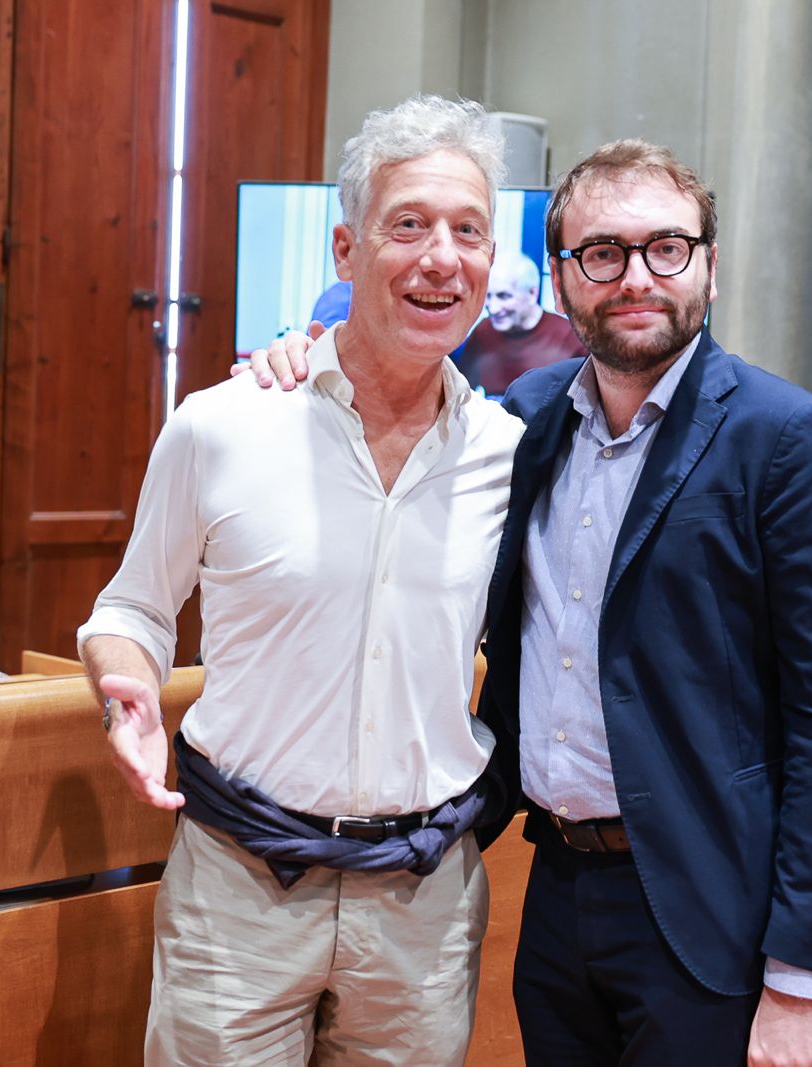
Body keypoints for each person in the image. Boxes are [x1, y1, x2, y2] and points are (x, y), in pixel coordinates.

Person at [250, 139, 812, 1067]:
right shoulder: (525, 418)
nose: (636, 277)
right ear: (561, 279)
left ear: (710, 266)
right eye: (602, 252)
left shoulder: (788, 440)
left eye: (666, 247)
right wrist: (307, 360)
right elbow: (393, 400)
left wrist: (803, 976)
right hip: (556, 888)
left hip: (709, 904)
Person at [77, 94, 524, 1067]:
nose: (441, 256)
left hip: (422, 902)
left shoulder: (510, 454)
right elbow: (131, 608)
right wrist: (126, 691)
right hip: (239, 890)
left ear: (492, 261)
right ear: (346, 250)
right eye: (408, 224)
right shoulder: (224, 424)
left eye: (468, 231)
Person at [455, 250, 586, 394]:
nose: (493, 308)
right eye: (488, 296)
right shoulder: (483, 331)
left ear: (532, 293)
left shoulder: (570, 337)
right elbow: (460, 391)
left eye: (503, 296)